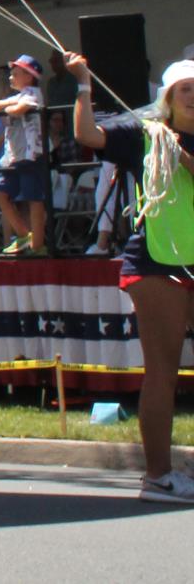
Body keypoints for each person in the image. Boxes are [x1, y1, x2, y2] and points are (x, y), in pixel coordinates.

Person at [67, 52, 194, 504]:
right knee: (163, 370)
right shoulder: (147, 134)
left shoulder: (171, 142)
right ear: (169, 98)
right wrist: (82, 84)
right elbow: (87, 134)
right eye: (186, 90)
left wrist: (180, 153)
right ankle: (158, 476)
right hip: (158, 263)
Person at [0, 54, 49, 255]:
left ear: (29, 77)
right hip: (14, 157)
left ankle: (38, 245)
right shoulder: (19, 95)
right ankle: (24, 234)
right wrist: (11, 106)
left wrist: (11, 107)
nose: (10, 78)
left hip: (30, 156)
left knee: (34, 198)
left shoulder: (33, 94)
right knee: (0, 193)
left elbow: (20, 109)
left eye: (15, 74)